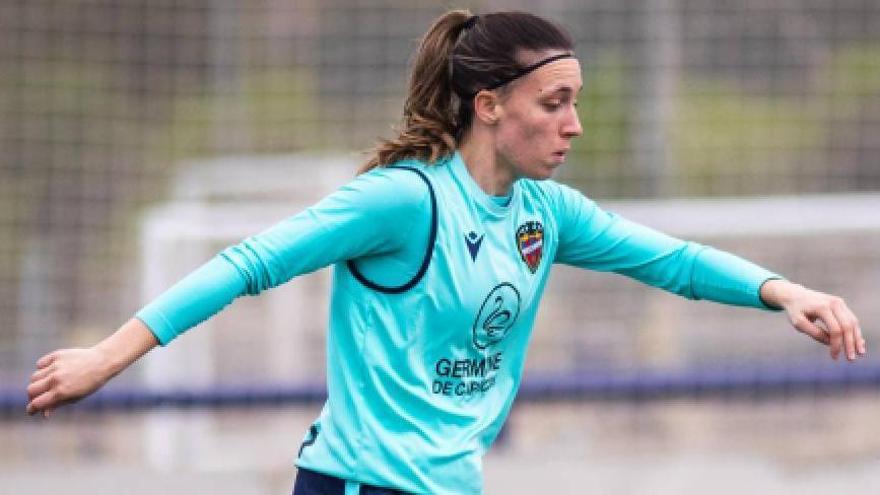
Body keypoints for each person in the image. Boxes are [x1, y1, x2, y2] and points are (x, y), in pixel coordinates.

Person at [26, 9, 865, 495]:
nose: (574, 124)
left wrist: (782, 290)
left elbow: (673, 261)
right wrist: (108, 353)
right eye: (556, 102)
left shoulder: (545, 213)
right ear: (490, 104)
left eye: (578, 102)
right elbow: (247, 262)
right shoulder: (403, 199)